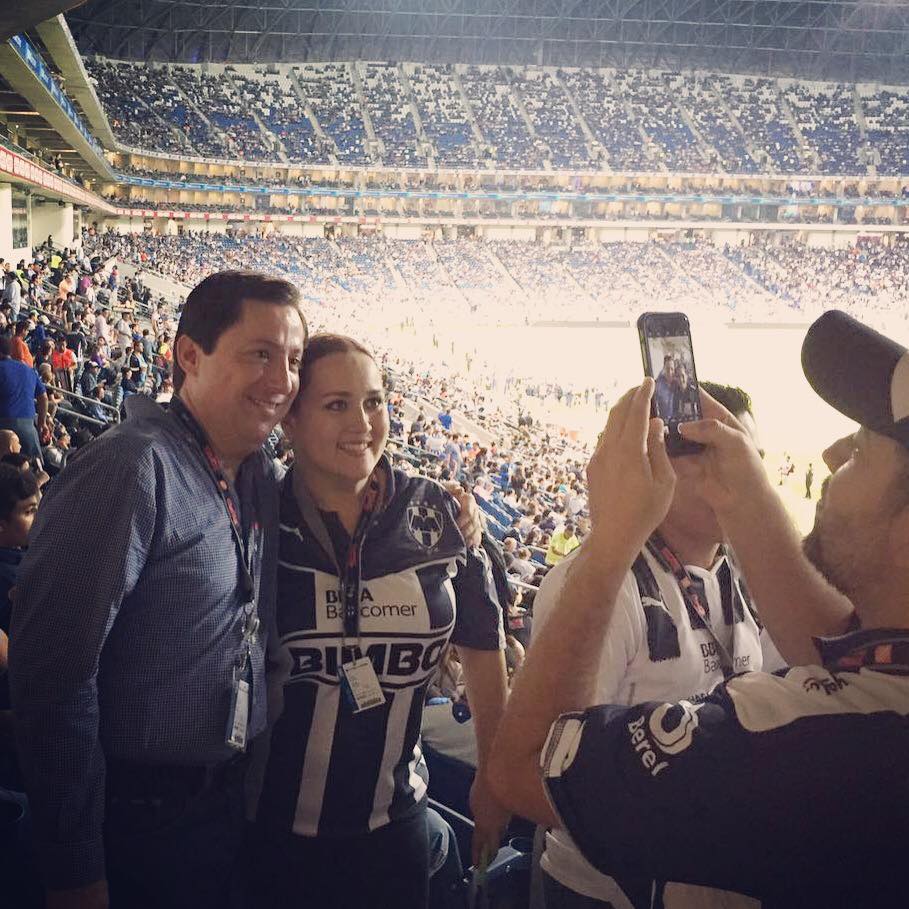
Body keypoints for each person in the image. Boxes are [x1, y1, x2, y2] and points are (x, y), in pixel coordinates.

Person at [489, 310, 909, 909]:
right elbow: (851, 652)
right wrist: (748, 498)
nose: (832, 449)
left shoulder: (800, 742)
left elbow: (525, 767)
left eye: (864, 447)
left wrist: (612, 540)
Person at [9, 271, 308, 909]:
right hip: (135, 821)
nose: (282, 381)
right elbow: (53, 677)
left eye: (293, 360)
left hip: (223, 808)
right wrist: (75, 874)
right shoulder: (131, 466)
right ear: (189, 355)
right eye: (260, 354)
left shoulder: (254, 472)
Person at [247, 334, 510, 909]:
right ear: (290, 419)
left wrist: (493, 778)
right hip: (268, 830)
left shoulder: (438, 514)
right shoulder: (257, 512)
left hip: (395, 827)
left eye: (373, 401)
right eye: (336, 404)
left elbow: (483, 645)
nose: (362, 422)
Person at [532, 382, 766, 909]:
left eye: (747, 456)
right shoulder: (598, 587)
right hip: (606, 891)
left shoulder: (745, 575)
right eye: (711, 455)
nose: (738, 477)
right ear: (653, 462)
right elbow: (548, 771)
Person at [0, 336, 49, 459]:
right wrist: (42, 422)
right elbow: (43, 397)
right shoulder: (28, 369)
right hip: (28, 428)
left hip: (4, 429)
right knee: (36, 472)